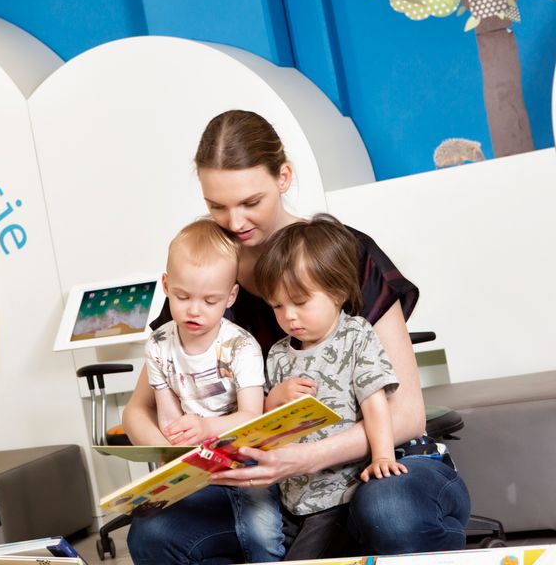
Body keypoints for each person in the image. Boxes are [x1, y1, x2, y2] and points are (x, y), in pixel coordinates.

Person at [122, 110, 470, 563]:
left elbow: (407, 415)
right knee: (155, 530)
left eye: (251, 202)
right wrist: (178, 454)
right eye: (216, 206)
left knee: (389, 509)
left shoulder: (346, 254)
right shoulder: (203, 283)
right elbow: (138, 408)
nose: (234, 221)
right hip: (270, 489)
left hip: (380, 461)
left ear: (284, 177)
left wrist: (304, 459)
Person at [254, 214, 413, 552]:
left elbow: (374, 401)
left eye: (300, 302)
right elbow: (266, 422)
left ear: (338, 292)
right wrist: (275, 398)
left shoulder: (355, 336)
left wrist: (382, 455)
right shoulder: (279, 354)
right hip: (293, 496)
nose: (289, 316)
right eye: (277, 306)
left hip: (342, 490)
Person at [147, 218, 284, 563]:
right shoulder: (159, 344)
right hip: (198, 460)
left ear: (230, 296)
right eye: (182, 296)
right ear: (166, 285)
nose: (194, 310)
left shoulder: (240, 346)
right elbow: (167, 412)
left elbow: (252, 415)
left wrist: (206, 428)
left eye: (210, 300)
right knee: (152, 524)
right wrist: (176, 443)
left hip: (246, 454)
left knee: (262, 534)